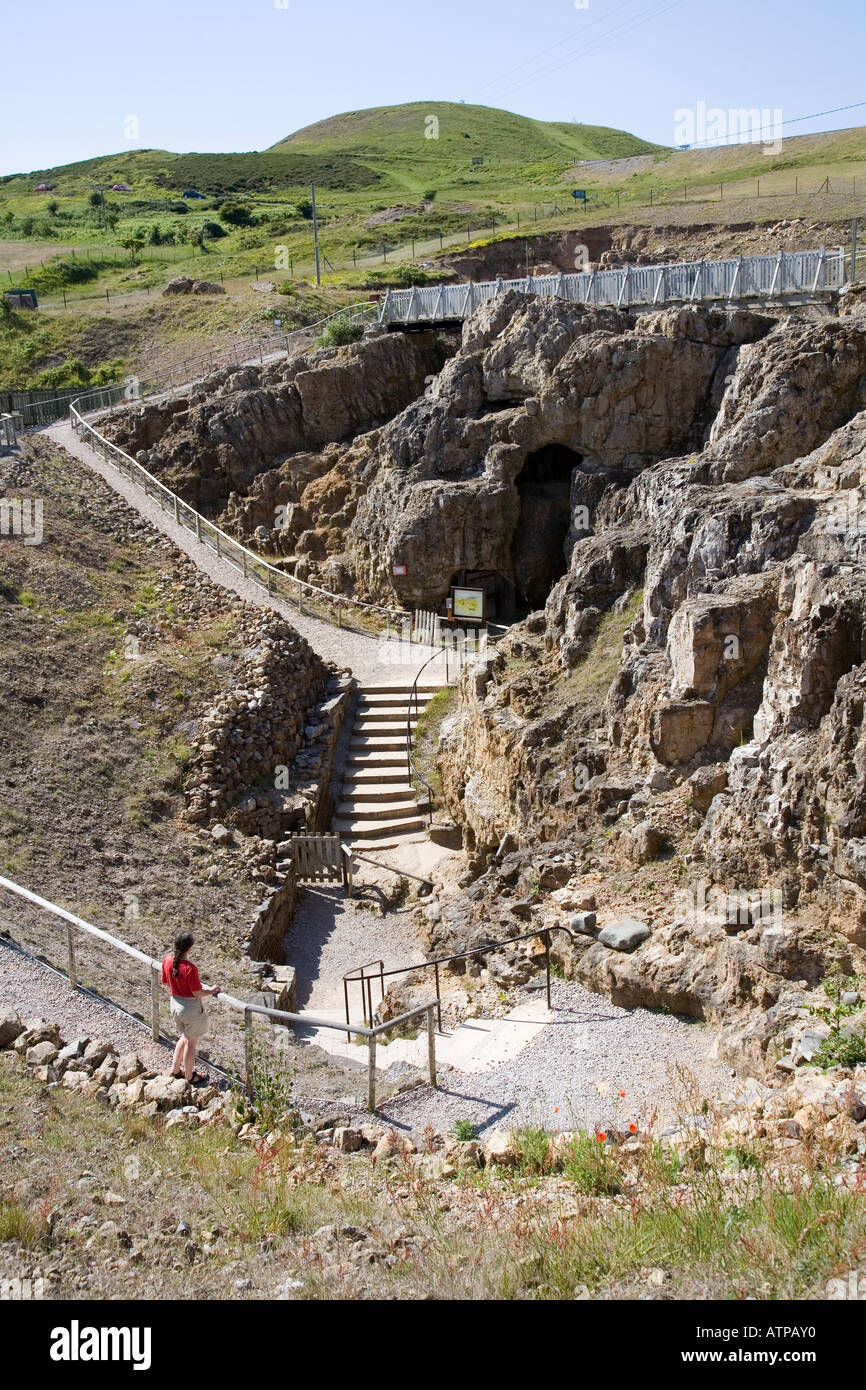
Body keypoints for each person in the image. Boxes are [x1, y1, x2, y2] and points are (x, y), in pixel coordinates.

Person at [160, 931, 220, 1084]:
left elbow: (165, 982)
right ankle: (189, 1076)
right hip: (190, 1008)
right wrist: (212, 991)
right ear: (189, 948)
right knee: (191, 1043)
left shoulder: (167, 960)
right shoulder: (190, 968)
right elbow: (197, 992)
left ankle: (175, 1069)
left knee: (185, 1037)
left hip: (175, 1004)